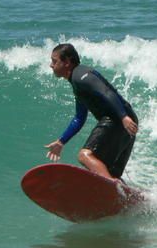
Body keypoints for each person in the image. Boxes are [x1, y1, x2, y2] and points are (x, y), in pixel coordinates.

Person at [45, 43, 138, 180]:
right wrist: (61, 142)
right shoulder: (77, 83)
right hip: (125, 119)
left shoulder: (81, 76)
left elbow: (106, 91)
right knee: (108, 172)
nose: (51, 65)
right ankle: (124, 196)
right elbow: (79, 117)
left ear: (67, 62)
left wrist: (123, 117)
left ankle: (113, 188)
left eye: (54, 61)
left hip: (117, 119)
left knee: (85, 156)